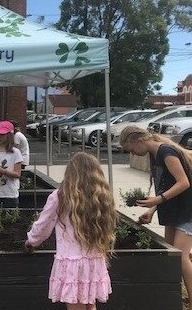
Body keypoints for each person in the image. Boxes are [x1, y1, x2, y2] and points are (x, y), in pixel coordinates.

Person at [25, 152, 117, 310]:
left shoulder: (60, 197)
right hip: (94, 260)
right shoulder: (102, 197)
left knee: (76, 306)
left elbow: (43, 225)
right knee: (90, 304)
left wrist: (31, 241)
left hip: (71, 263)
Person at [119, 125, 192, 309]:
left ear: (139, 140)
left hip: (187, 210)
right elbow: (165, 186)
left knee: (181, 258)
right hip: (174, 210)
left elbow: (184, 182)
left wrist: (157, 200)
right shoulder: (154, 155)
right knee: (171, 256)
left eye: (132, 149)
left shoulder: (166, 152)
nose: (133, 154)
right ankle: (178, 296)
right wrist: (151, 211)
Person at [0, 121, 23, 208]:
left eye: (2, 135)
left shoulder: (15, 153)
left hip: (10, 194)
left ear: (9, 136)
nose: (0, 137)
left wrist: (3, 171)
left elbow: (17, 174)